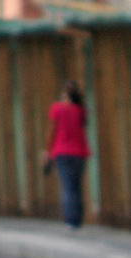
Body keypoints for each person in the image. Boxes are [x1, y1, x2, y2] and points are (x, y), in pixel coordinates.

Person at [44, 80, 90, 229]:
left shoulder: (56, 108)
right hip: (80, 152)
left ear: (63, 93)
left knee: (67, 186)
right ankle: (78, 218)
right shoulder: (81, 110)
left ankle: (71, 219)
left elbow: (52, 131)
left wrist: (47, 151)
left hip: (62, 151)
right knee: (76, 186)